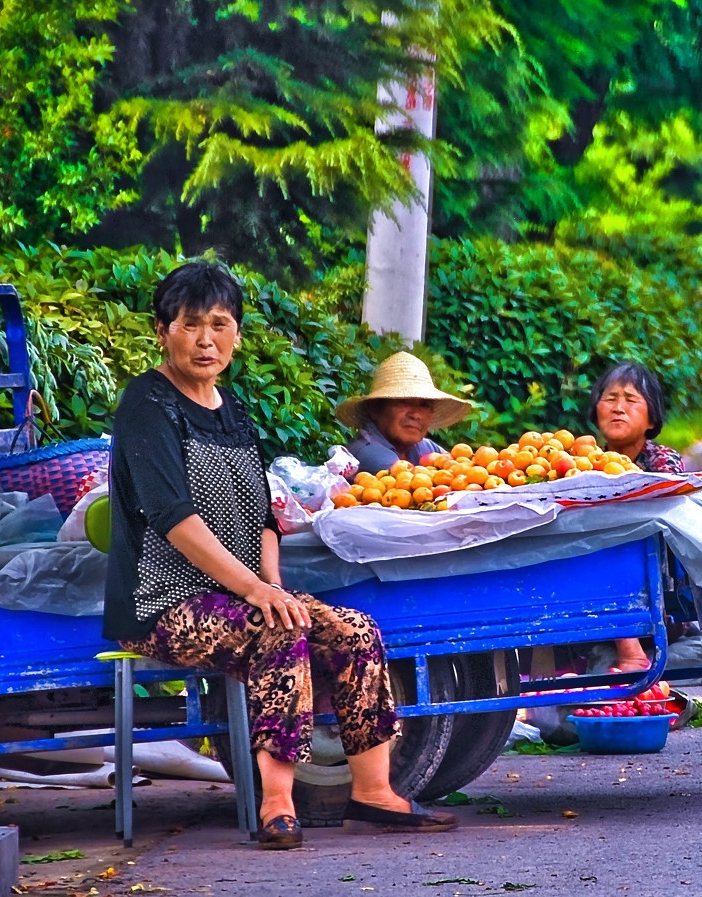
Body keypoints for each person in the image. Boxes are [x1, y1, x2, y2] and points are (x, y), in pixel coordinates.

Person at [101, 261, 457, 849]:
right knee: (276, 633)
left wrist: (275, 585)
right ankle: (277, 806)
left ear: (237, 335)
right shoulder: (147, 403)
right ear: (163, 331)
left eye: (220, 324)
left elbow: (263, 511)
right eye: (190, 325)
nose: (206, 339)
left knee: (355, 631)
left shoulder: (232, 409)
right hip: (163, 601)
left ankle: (373, 793)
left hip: (241, 590)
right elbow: (174, 519)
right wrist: (257, 593)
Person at [587, 361, 685, 673]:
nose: (618, 408)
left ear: (651, 418)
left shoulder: (662, 462)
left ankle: (631, 652)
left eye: (630, 400)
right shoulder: (582, 461)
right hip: (594, 586)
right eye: (610, 398)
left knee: (615, 540)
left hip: (654, 582)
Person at [336, 352, 472, 473]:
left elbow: (462, 470)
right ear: (375, 409)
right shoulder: (369, 453)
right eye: (403, 402)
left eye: (424, 405)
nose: (416, 415)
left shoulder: (423, 447)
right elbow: (413, 486)